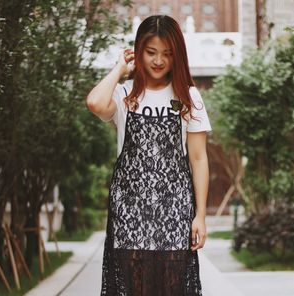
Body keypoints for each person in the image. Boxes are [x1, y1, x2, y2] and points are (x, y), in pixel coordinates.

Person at [86, 14, 212, 296]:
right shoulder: (123, 95)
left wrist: (200, 216)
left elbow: (199, 159)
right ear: (139, 52)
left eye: (167, 54)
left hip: (175, 210)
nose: (158, 61)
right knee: (135, 289)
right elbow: (94, 103)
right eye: (151, 52)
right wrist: (120, 68)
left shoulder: (189, 97)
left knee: (172, 288)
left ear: (176, 55)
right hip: (129, 212)